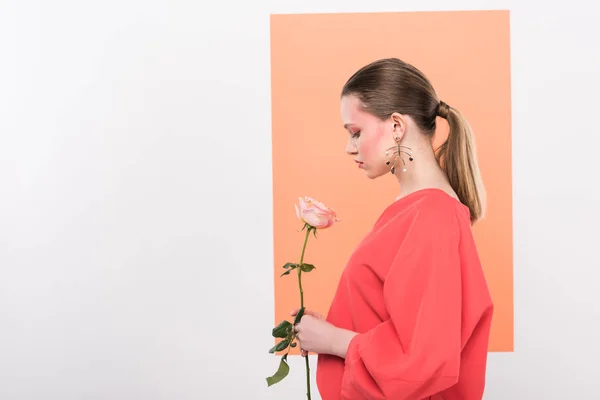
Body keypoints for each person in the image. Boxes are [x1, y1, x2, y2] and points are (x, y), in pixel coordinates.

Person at [292, 58, 494, 399]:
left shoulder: (433, 216)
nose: (349, 147)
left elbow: (423, 360)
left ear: (397, 126)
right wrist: (333, 328)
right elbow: (403, 324)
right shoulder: (417, 211)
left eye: (356, 132)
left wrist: (333, 341)